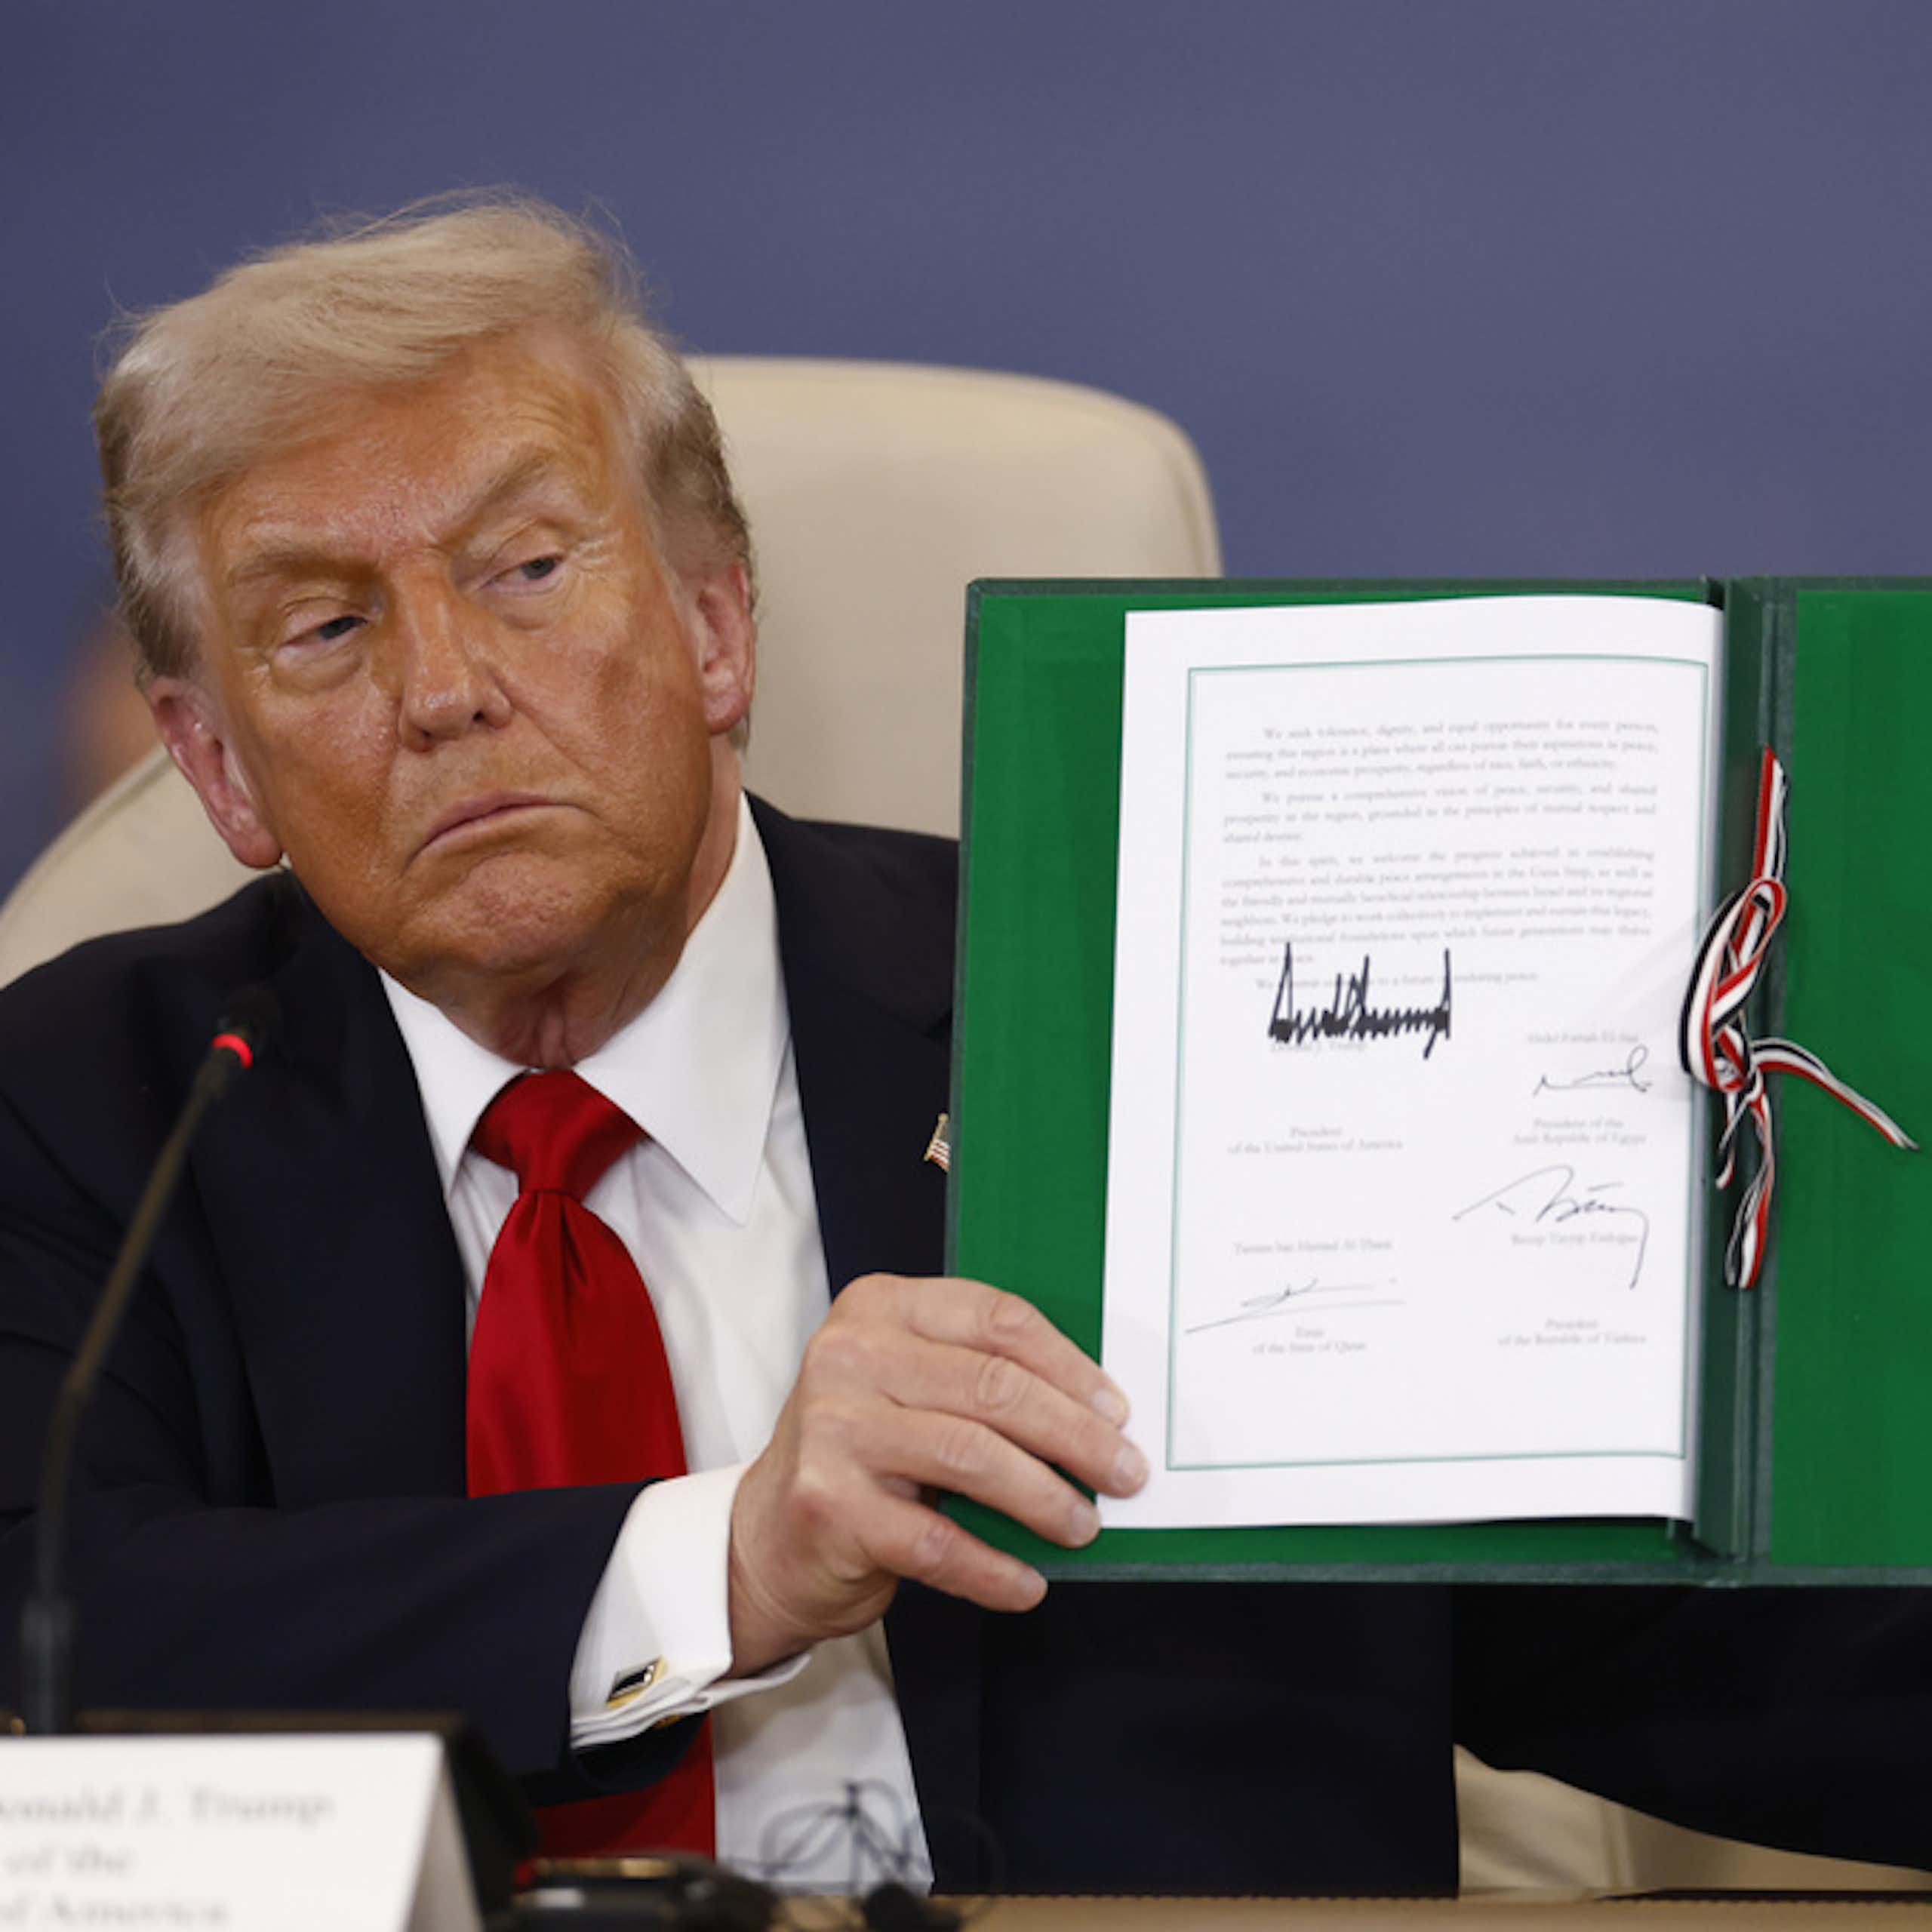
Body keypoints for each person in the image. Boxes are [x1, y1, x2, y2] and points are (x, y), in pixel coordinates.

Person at [1, 197, 1927, 1893]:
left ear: (716, 627)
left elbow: (1649, 1640)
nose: (443, 688)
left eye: (524, 568)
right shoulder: (95, 1100)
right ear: (214, 767)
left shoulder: (1145, 1020)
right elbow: (53, 1629)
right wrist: (720, 1560)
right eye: (325, 627)